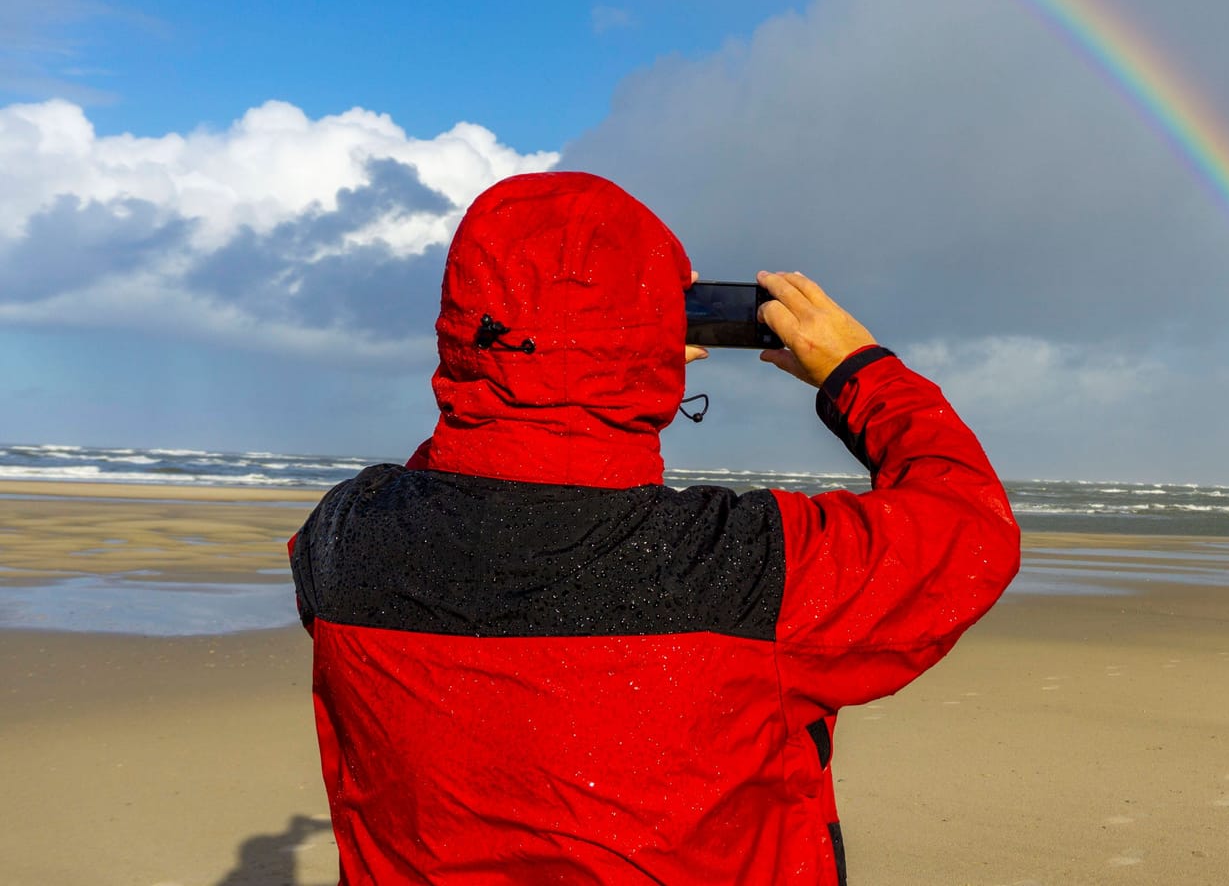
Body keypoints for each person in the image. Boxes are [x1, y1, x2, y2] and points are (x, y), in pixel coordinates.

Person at [289, 171, 1021, 883]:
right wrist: (860, 371)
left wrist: (533, 382)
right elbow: (969, 530)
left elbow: (461, 483)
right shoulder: (746, 564)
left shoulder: (345, 535)